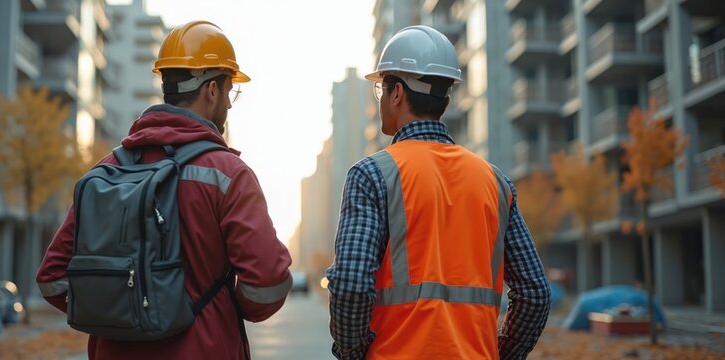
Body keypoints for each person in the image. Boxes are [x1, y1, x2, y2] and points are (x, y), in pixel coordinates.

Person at [36, 20, 292, 360]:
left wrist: (117, 308)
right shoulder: (228, 175)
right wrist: (218, 308)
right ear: (212, 90)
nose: (230, 104)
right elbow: (267, 286)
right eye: (231, 91)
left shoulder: (107, 169)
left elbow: (52, 278)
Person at [326, 25, 551, 360]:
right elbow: (534, 294)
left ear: (397, 93)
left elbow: (351, 285)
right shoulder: (496, 183)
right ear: (445, 99)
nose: (382, 98)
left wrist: (354, 352)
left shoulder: (371, 175)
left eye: (381, 90)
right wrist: (501, 354)